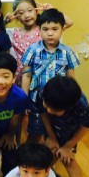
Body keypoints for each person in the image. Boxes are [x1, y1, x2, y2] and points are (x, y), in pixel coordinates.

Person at [39, 76, 89, 177]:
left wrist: (68, 146)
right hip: (51, 128)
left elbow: (86, 125)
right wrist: (51, 137)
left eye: (55, 110)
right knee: (47, 155)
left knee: (67, 160)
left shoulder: (81, 104)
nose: (49, 110)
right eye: (47, 105)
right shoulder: (43, 93)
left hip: (70, 131)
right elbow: (44, 114)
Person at [21, 8, 80, 143]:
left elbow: (70, 79)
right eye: (45, 29)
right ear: (39, 30)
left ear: (62, 30)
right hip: (36, 101)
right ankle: (31, 155)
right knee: (35, 133)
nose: (50, 33)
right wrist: (24, 99)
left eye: (55, 29)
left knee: (55, 134)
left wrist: (71, 100)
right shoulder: (32, 50)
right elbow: (26, 75)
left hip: (58, 101)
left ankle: (49, 155)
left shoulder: (67, 52)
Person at [4, 0, 73, 87]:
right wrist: (5, 22)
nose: (27, 15)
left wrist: (53, 10)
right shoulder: (12, 33)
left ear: (36, 11)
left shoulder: (44, 29)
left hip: (42, 79)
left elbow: (69, 22)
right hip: (21, 79)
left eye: (30, 10)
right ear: (16, 17)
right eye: (21, 13)